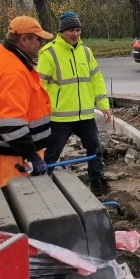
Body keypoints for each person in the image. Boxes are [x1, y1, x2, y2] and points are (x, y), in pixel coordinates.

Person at [0, 16, 53, 188]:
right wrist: (31, 156)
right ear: (24, 39)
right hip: (13, 152)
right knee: (20, 196)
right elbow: (12, 125)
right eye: (38, 39)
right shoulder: (13, 72)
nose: (41, 44)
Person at [38, 11, 112, 195]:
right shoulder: (49, 53)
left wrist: (104, 106)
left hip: (85, 115)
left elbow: (97, 80)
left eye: (78, 30)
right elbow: (38, 85)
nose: (75, 34)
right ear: (61, 31)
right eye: (71, 30)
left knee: (95, 149)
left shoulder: (86, 52)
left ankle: (96, 180)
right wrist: (42, 110)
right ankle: (41, 185)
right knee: (51, 154)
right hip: (60, 117)